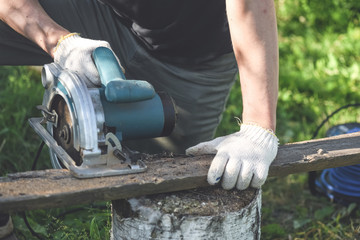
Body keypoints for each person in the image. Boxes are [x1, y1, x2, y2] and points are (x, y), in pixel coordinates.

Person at [0, 0, 279, 239]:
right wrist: (60, 42)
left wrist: (258, 127)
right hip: (104, 16)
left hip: (193, 57)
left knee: (173, 194)